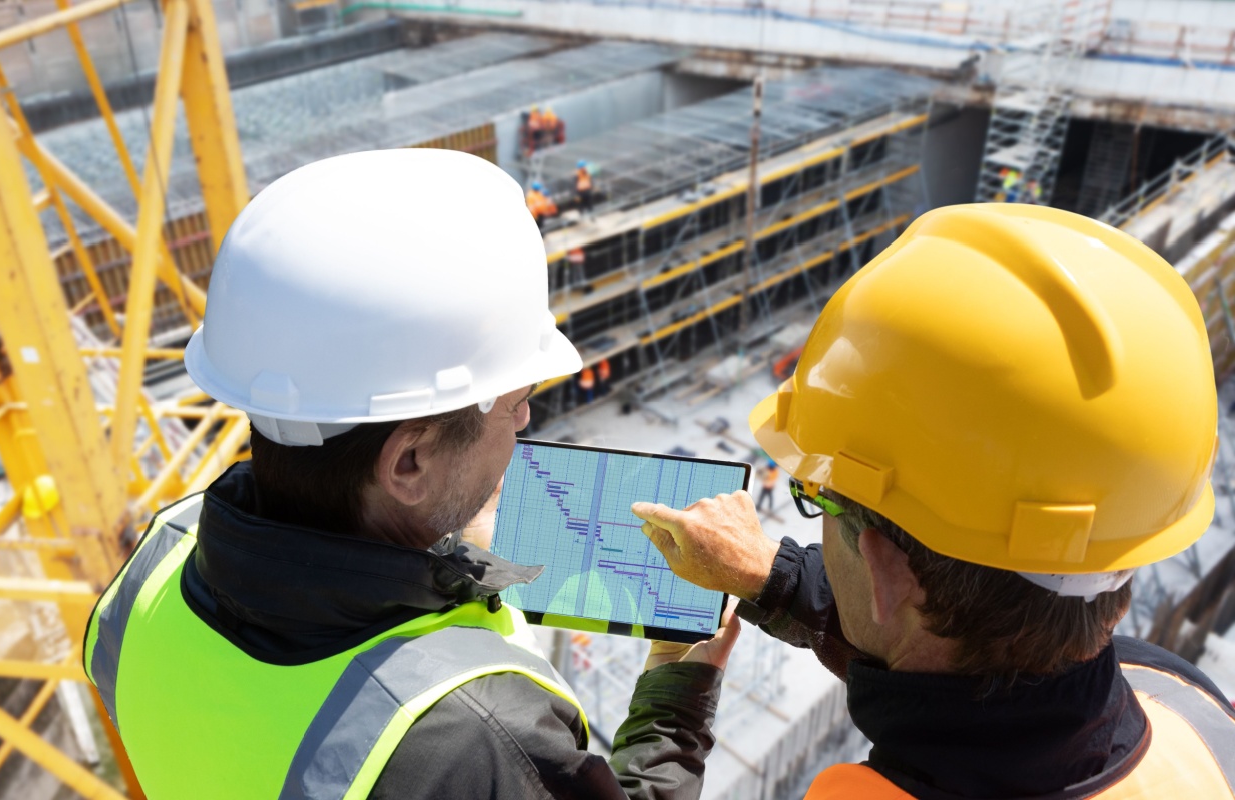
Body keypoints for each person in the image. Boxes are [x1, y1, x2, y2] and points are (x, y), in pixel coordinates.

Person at [83, 150, 739, 799]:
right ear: (409, 462)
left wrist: (436, 553)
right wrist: (675, 692)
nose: (527, 418)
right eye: (515, 403)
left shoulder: (155, 562)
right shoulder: (477, 740)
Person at [631, 204, 1235, 798]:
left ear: (887, 570)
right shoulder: (1181, 699)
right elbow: (958, 681)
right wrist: (772, 575)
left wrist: (672, 700)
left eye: (817, 498)